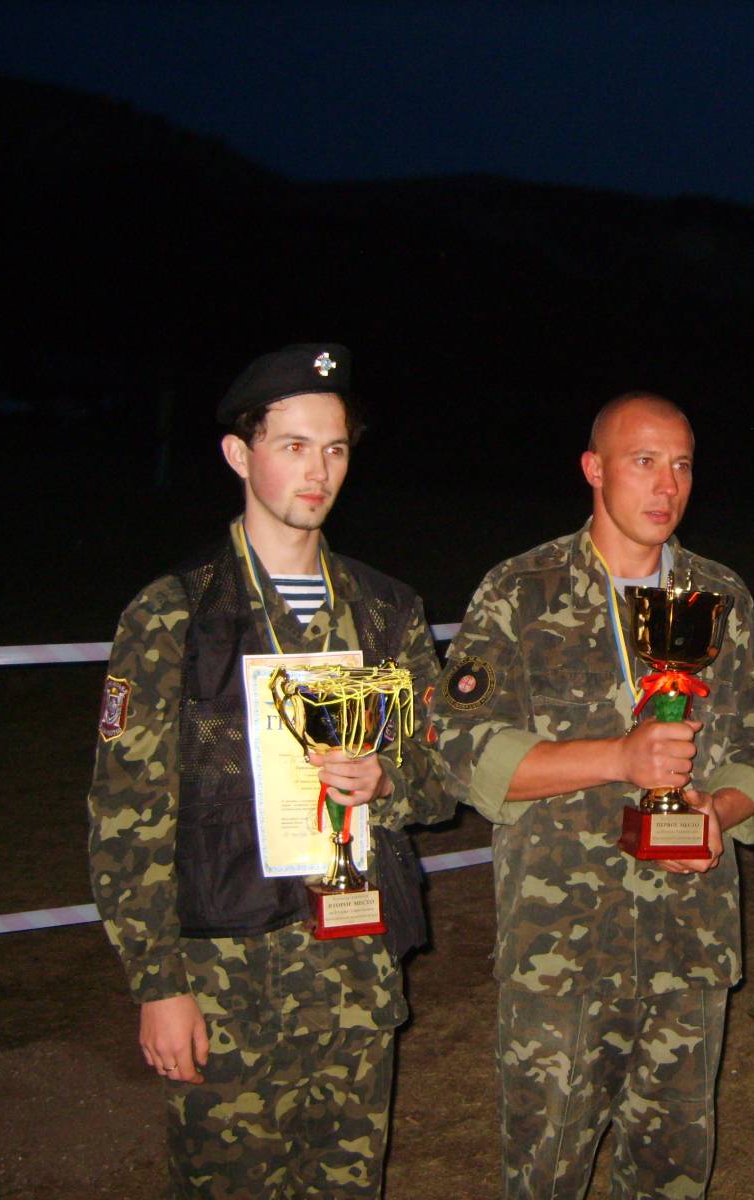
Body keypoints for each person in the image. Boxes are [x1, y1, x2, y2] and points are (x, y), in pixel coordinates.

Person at [87, 344, 448, 1198]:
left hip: (354, 969)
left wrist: (389, 781)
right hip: (225, 981)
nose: (318, 471)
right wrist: (158, 985)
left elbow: (444, 770)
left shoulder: (386, 612)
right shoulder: (177, 615)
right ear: (238, 455)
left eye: (335, 448)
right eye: (293, 446)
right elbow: (126, 817)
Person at [431, 391, 754, 1199]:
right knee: (544, 1174)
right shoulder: (521, 592)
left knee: (672, 1176)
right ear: (594, 469)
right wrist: (617, 758)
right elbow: (459, 748)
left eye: (682, 465)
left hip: (689, 944)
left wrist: (719, 812)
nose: (667, 485)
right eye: (644, 462)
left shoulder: (720, 596)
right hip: (561, 951)